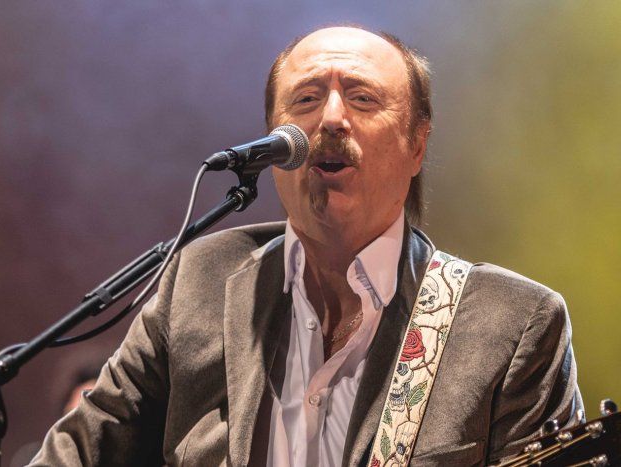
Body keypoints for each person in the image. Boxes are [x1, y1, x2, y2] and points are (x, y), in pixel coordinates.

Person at [29, 26, 582, 466]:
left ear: (418, 145)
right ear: (274, 141)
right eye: (307, 99)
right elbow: (79, 451)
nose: (332, 118)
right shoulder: (200, 278)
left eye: (363, 99)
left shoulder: (513, 323)